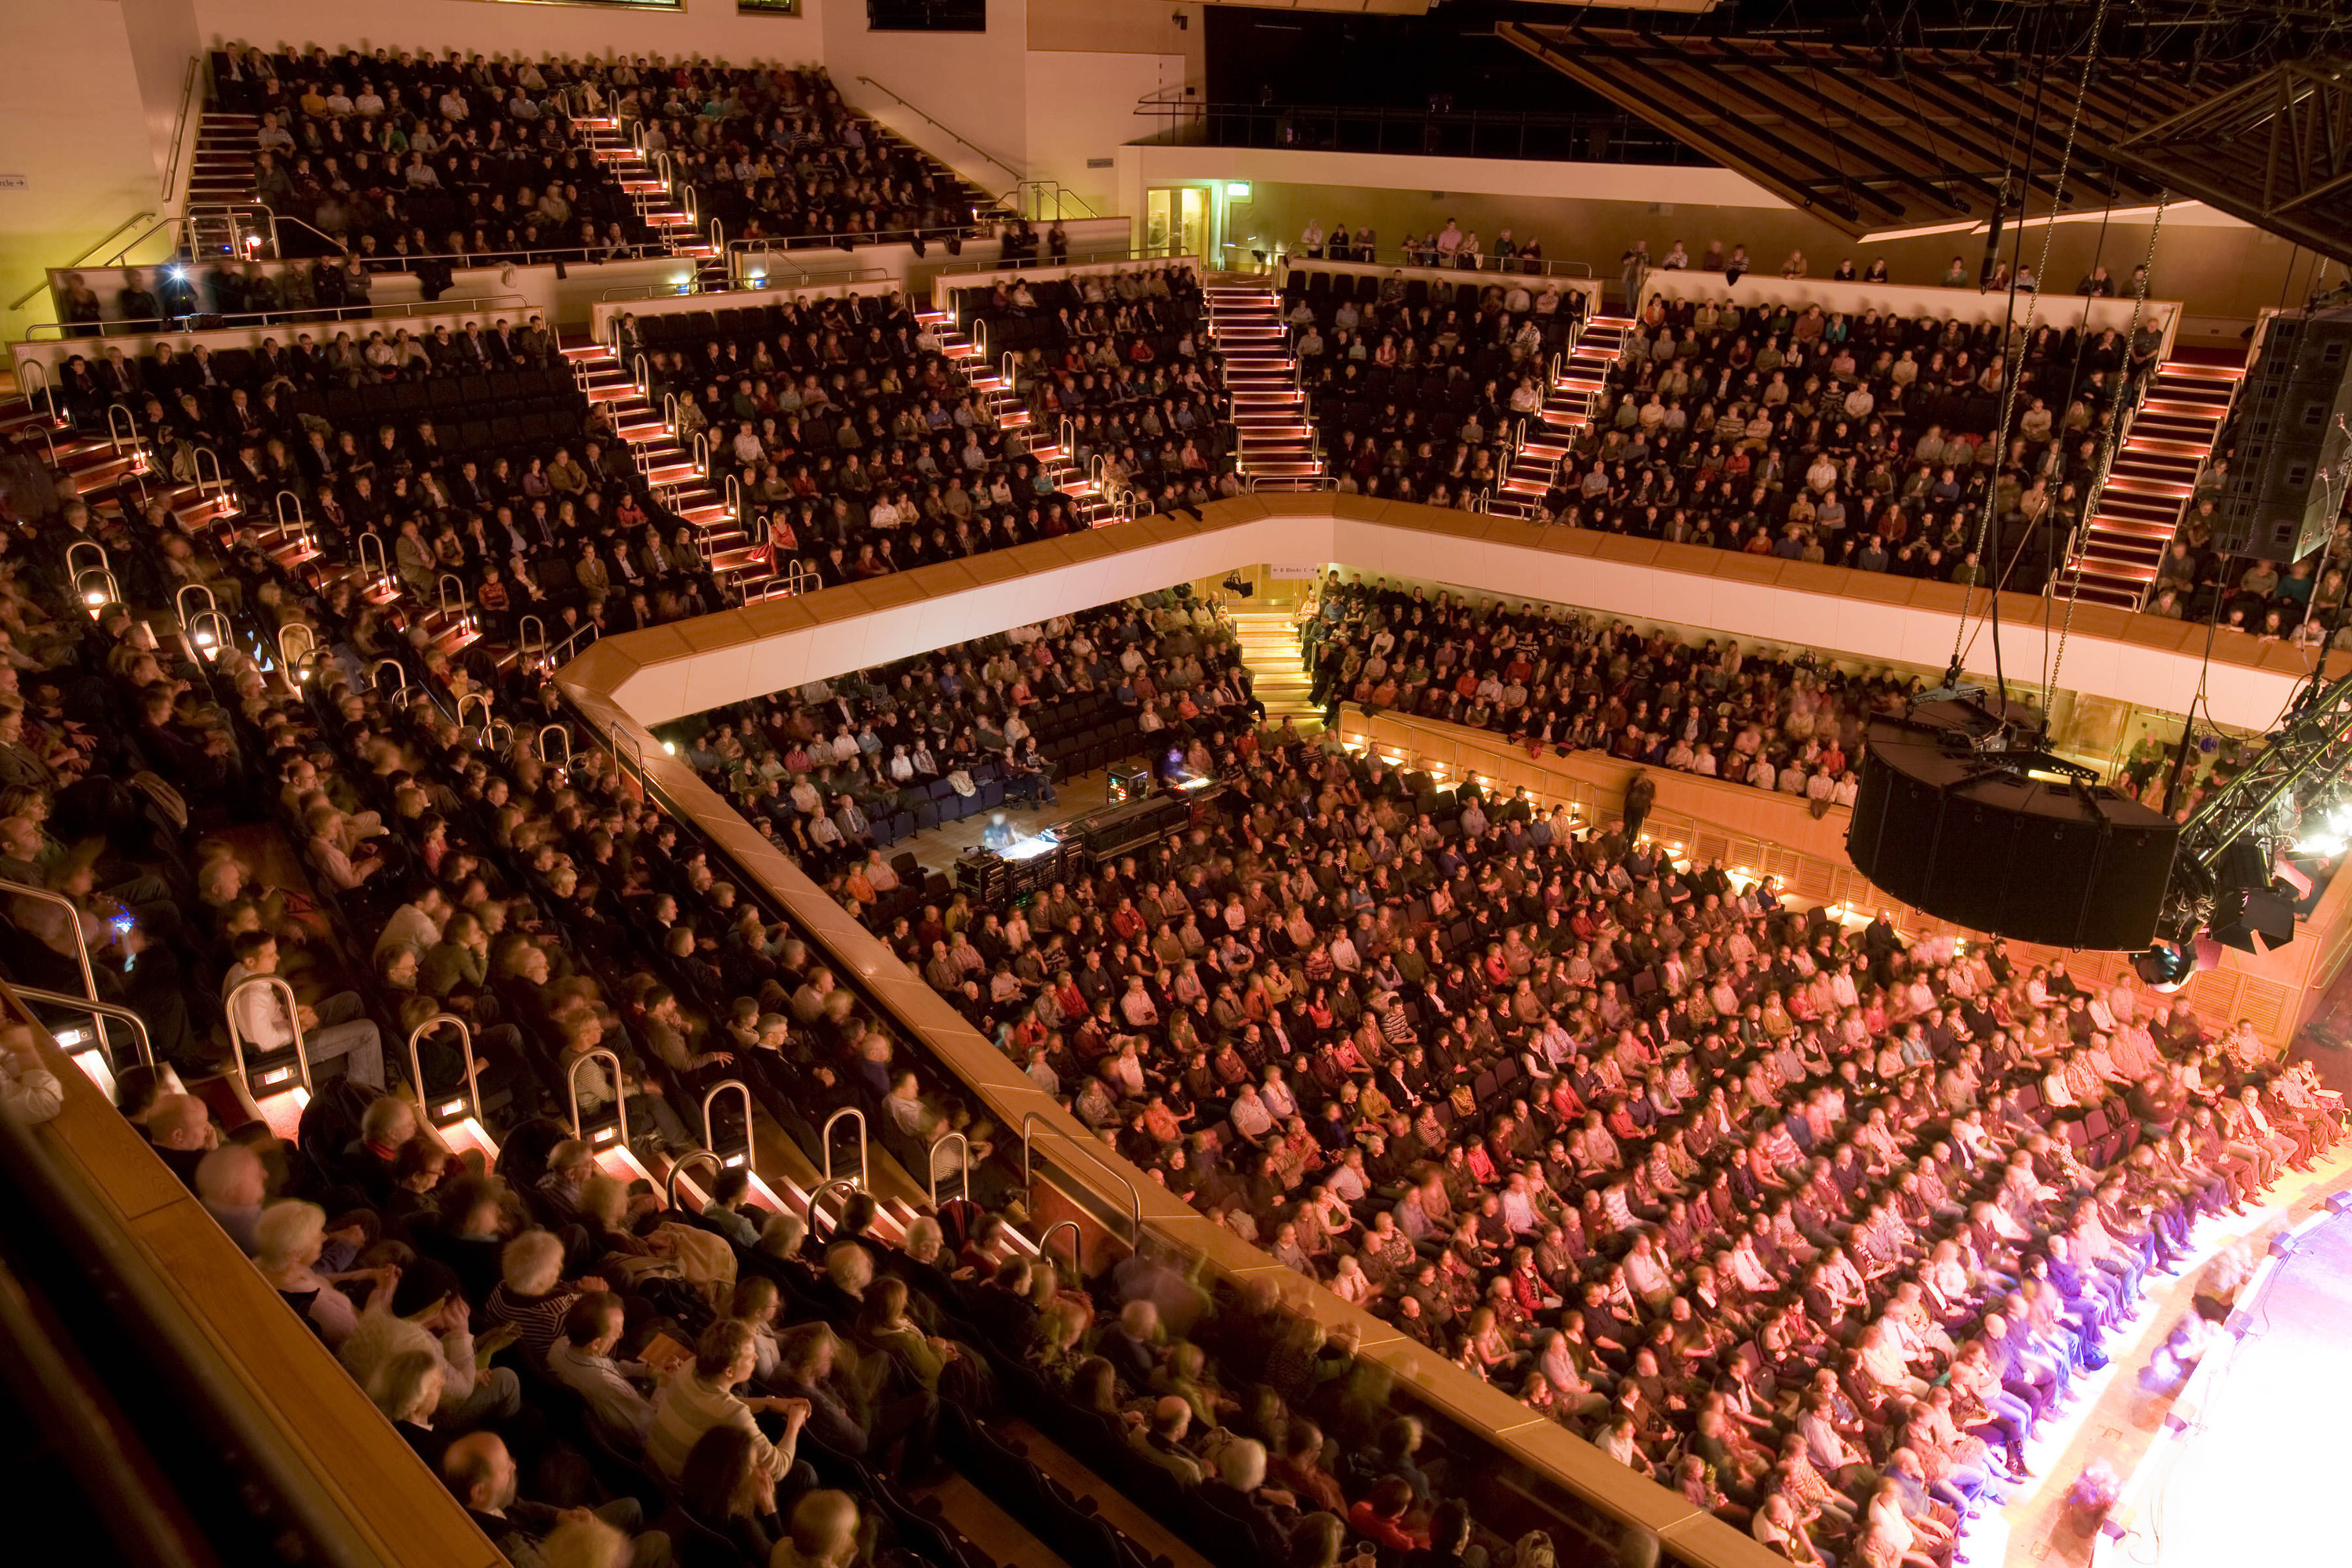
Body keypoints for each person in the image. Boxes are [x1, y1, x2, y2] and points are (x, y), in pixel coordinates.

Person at [443, 1432, 671, 1568]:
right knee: (658, 1542)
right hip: (567, 1558)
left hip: (547, 1540)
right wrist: (600, 1546)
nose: (514, 1466)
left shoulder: (479, 1503)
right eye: (505, 1468)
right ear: (479, 1492)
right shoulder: (508, 1551)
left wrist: (560, 1516)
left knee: (630, 1507)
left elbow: (519, 1506)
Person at [223, 930, 386, 1090]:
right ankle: (368, 1094)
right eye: (270, 955)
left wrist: (290, 1011)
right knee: (368, 1031)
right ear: (251, 960)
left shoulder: (240, 969)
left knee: (350, 1000)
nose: (277, 958)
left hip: (286, 1029)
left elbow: (268, 1011)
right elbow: (266, 1044)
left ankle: (362, 1069)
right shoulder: (252, 996)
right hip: (287, 1050)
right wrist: (299, 1028)